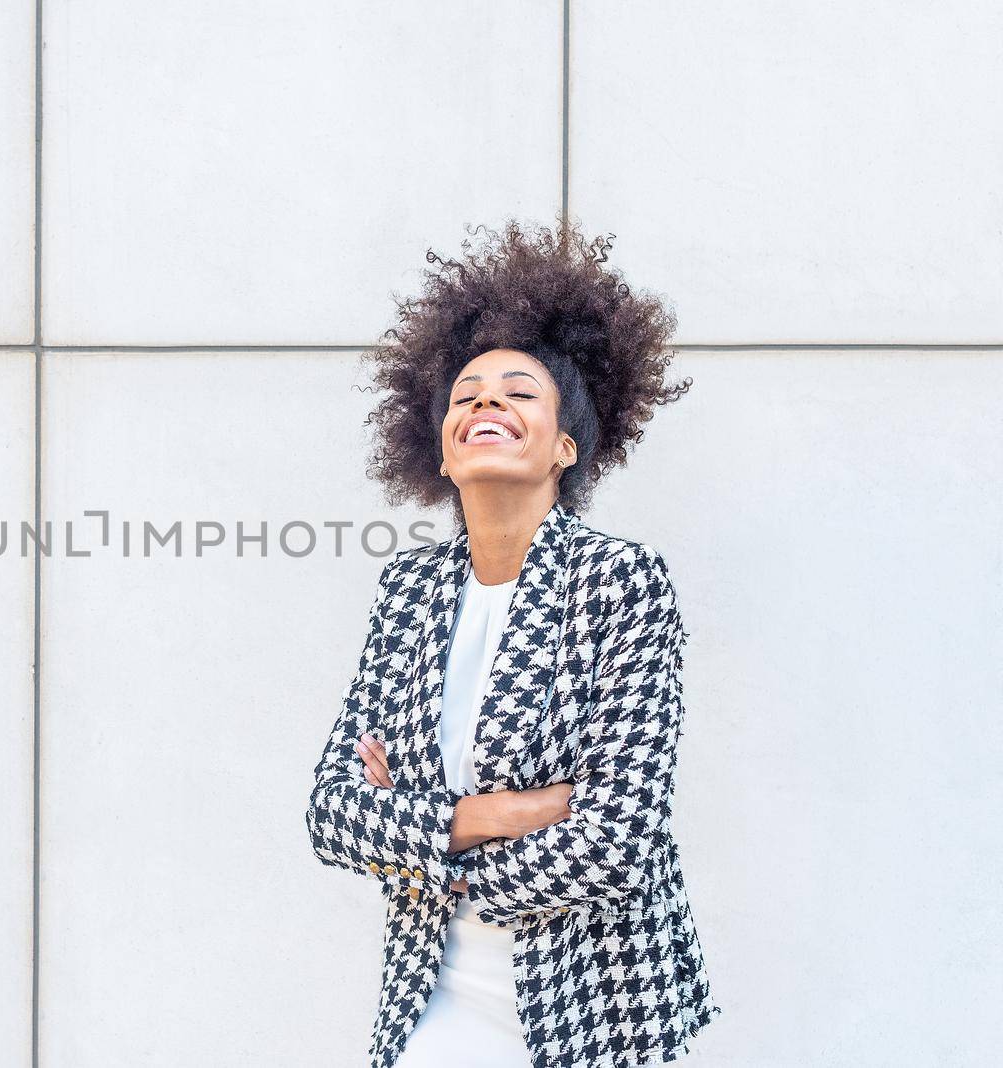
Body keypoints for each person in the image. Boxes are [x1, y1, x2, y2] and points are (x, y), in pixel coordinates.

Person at [305, 218, 722, 1068]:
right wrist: (500, 814)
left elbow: (619, 835)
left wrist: (425, 846)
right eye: (466, 396)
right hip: (431, 999)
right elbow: (334, 813)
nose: (485, 402)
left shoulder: (619, 584)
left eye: (518, 393)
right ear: (442, 451)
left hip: (596, 1005)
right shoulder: (409, 592)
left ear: (566, 446)